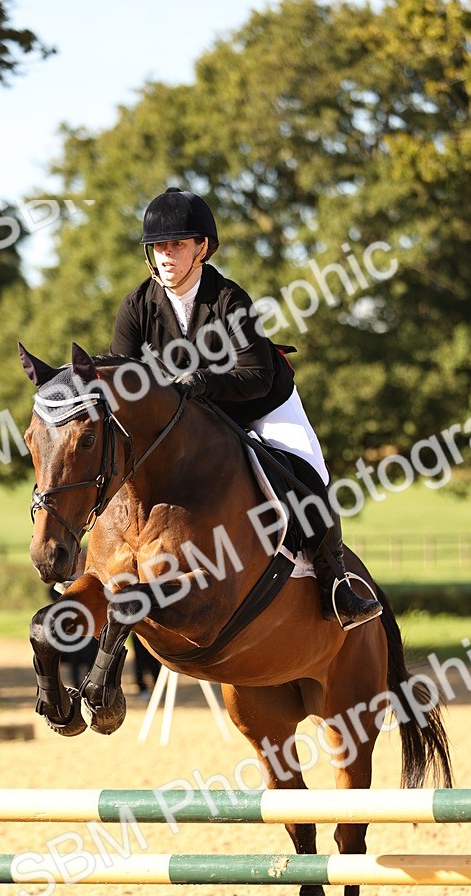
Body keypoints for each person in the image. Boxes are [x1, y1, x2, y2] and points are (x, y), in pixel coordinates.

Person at [110, 186, 382, 629]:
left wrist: (202, 382)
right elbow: (125, 381)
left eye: (178, 244)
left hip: (258, 401)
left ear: (202, 248)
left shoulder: (228, 300)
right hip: (192, 417)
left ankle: (336, 585)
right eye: (159, 245)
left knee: (308, 476)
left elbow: (255, 375)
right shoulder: (137, 307)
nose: (166, 254)